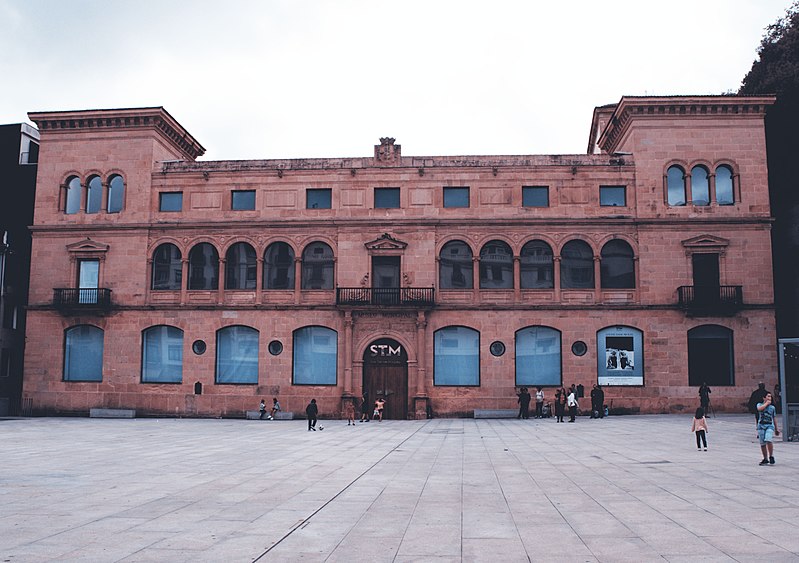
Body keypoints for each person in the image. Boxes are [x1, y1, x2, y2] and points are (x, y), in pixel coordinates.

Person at [756, 392, 780, 465]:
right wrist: (766, 404)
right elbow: (759, 409)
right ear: (764, 398)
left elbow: (774, 417)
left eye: (770, 397)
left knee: (768, 439)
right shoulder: (759, 404)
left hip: (769, 425)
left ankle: (771, 456)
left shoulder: (772, 408)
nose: (769, 398)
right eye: (768, 396)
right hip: (761, 426)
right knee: (762, 443)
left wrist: (776, 428)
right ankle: (765, 458)